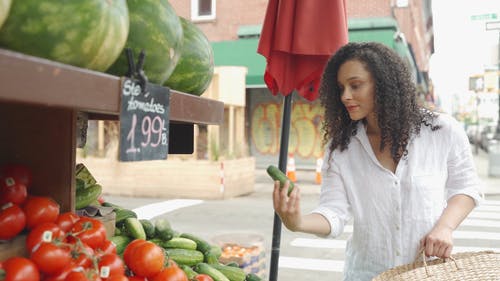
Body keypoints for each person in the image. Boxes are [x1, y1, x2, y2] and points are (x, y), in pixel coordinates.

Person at [272, 42, 483, 280]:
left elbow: (466, 187)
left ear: (383, 85)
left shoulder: (442, 131)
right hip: (366, 274)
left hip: (427, 272)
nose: (345, 96)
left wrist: (445, 227)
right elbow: (334, 212)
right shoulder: (340, 148)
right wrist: (298, 222)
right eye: (341, 88)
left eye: (355, 85)